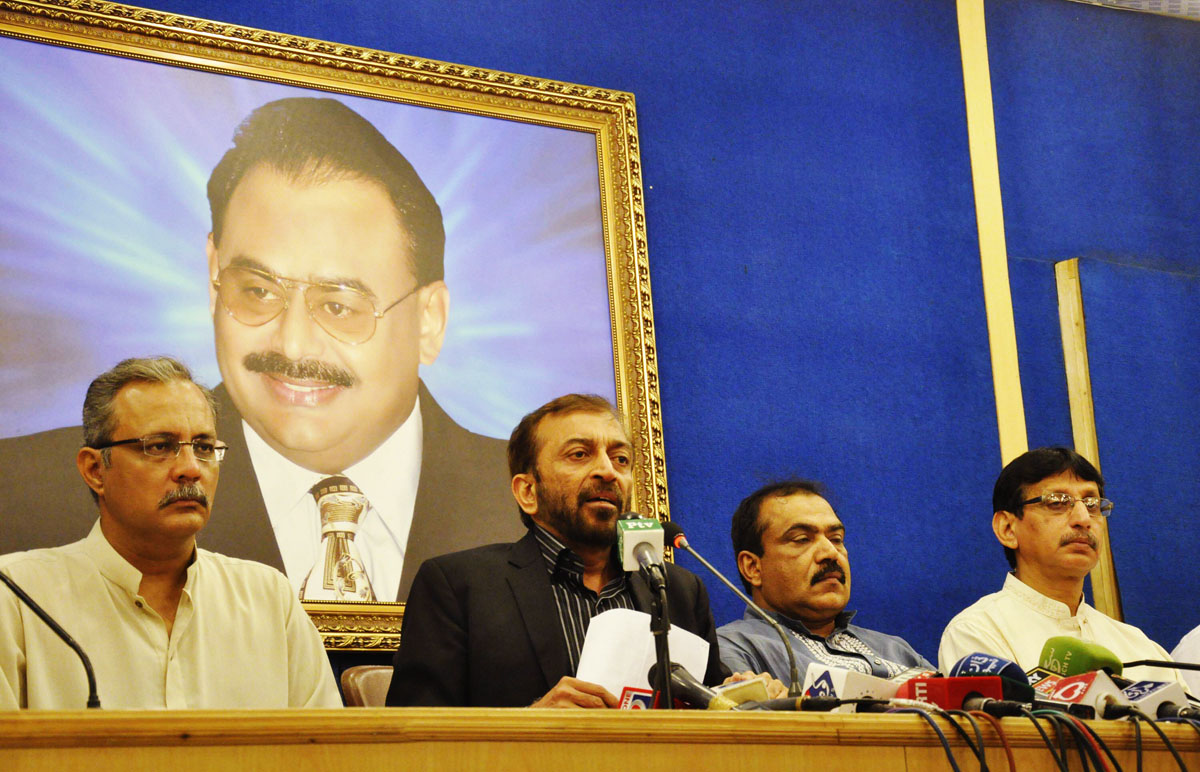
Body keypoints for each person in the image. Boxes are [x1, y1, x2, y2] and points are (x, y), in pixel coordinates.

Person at [0, 97, 518, 601]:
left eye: (338, 305)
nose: (292, 345)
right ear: (212, 278)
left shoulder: (539, 505)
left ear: (430, 321)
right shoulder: (31, 496)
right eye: (258, 292)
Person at [386, 394, 775, 707]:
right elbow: (414, 736)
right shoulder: (458, 586)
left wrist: (742, 696)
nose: (608, 471)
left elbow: (708, 710)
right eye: (579, 454)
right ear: (528, 491)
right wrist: (531, 725)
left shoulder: (677, 589)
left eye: (620, 459)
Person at [0, 357, 341, 709]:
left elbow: (328, 756)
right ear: (95, 470)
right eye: (159, 446)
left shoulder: (269, 599)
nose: (191, 469)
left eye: (204, 448)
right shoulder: (18, 599)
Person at [938, 447, 1184, 686]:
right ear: (1007, 528)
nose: (1083, 519)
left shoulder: (1140, 647)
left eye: (1092, 504)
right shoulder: (978, 634)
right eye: (1057, 502)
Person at [717, 481, 932, 682]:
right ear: (753, 568)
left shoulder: (897, 650)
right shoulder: (732, 648)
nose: (830, 552)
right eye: (802, 539)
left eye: (836, 539)